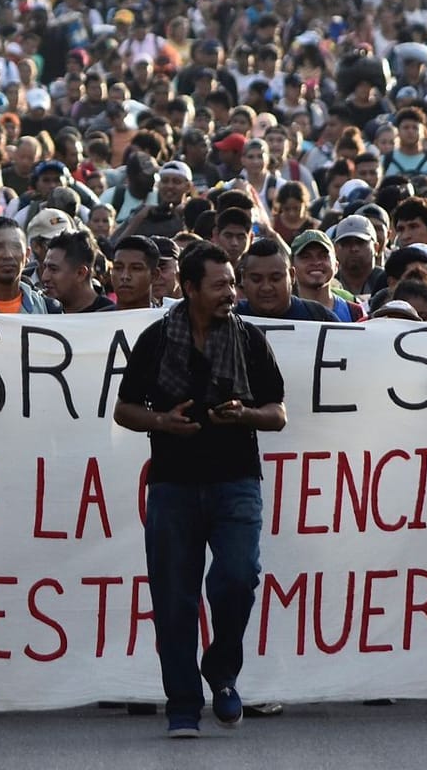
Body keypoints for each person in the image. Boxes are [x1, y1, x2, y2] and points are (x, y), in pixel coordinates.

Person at [113, 245, 287, 738]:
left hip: (236, 484)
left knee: (238, 578)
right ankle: (183, 706)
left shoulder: (249, 340)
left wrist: (246, 415)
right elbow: (124, 411)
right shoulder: (154, 340)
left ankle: (222, 670)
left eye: (233, 284)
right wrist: (161, 422)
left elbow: (277, 413)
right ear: (189, 289)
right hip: (173, 487)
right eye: (220, 286)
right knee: (174, 601)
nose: (231, 294)